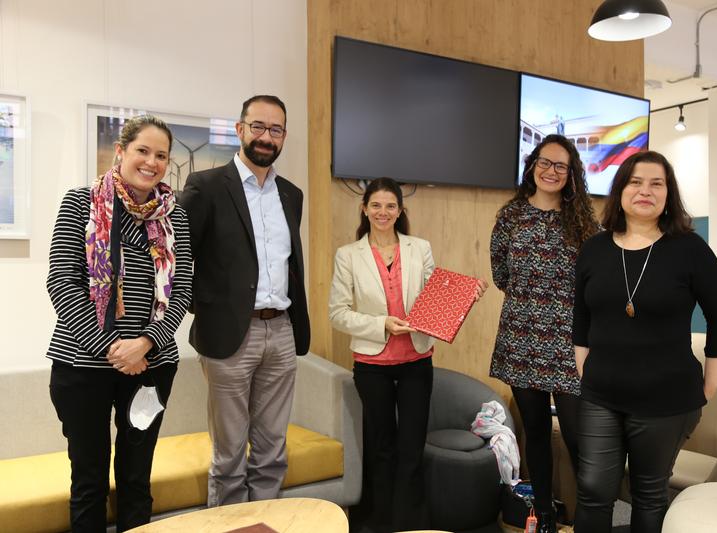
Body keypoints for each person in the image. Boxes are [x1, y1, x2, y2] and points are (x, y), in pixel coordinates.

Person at [572, 150, 717, 533]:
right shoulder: (595, 248)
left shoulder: (690, 249)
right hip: (601, 395)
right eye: (635, 182)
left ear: (668, 194)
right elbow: (581, 318)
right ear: (621, 191)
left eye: (656, 183)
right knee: (593, 488)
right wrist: (585, 371)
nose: (645, 191)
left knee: (649, 493)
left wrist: (710, 382)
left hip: (666, 398)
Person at [46, 115, 192, 532]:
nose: (151, 162)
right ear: (121, 152)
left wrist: (145, 343)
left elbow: (182, 290)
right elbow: (62, 282)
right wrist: (113, 349)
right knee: (89, 483)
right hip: (82, 369)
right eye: (143, 151)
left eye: (161, 155)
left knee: (136, 479)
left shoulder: (174, 217)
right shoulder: (80, 203)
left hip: (151, 368)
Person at [329, 177, 486, 532]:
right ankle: (378, 524)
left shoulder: (419, 248)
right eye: (376, 205)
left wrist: (465, 295)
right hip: (372, 366)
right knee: (381, 449)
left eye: (390, 206)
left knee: (412, 449)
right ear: (364, 209)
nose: (383, 212)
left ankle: (411, 526)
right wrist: (382, 323)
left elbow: (434, 298)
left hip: (417, 361)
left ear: (400, 211)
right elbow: (337, 313)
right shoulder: (348, 255)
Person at [180, 95, 310, 507]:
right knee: (229, 455)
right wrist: (214, 310)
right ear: (240, 129)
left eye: (275, 129)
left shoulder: (291, 193)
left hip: (282, 332)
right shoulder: (206, 185)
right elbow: (184, 259)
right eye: (258, 126)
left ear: (284, 136)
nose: (266, 136)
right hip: (230, 336)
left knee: (272, 453)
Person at [489, 134, 598, 532]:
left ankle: (590, 516)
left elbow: (596, 280)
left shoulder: (585, 221)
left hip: (572, 345)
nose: (551, 171)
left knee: (577, 437)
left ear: (571, 176)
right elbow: (501, 274)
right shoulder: (510, 216)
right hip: (520, 340)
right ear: (533, 165)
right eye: (545, 162)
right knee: (534, 434)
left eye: (561, 166)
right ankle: (546, 518)